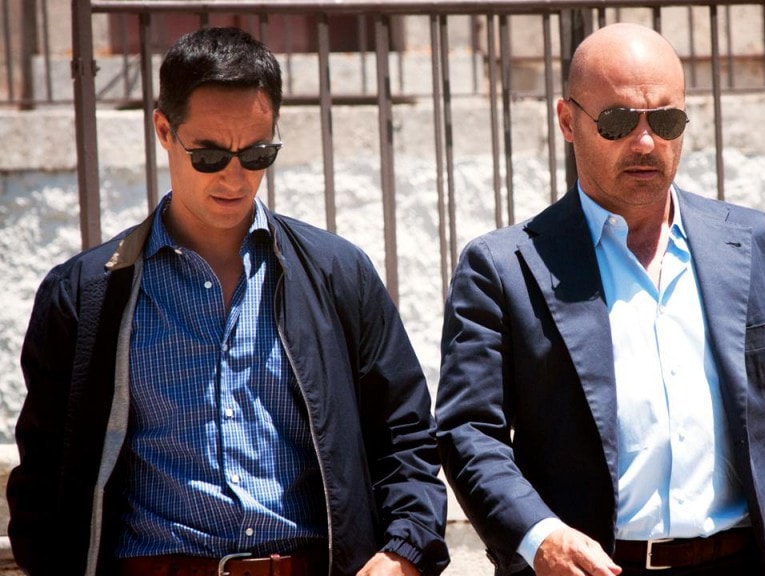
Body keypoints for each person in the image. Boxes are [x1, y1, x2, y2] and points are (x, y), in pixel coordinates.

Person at [435, 22, 765, 576]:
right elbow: (469, 432)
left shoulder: (760, 245)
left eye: (664, 121)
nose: (645, 142)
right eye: (618, 121)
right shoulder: (503, 268)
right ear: (567, 121)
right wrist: (540, 536)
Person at [8, 26, 448, 576]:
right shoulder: (85, 294)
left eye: (258, 153)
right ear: (164, 131)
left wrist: (403, 553)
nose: (235, 177)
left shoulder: (339, 274)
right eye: (210, 155)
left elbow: (406, 436)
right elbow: (43, 480)